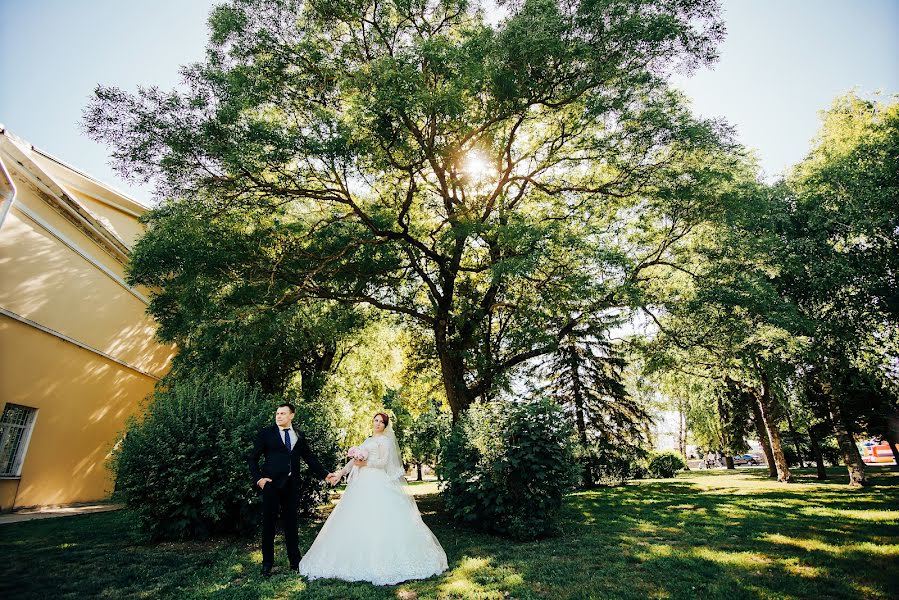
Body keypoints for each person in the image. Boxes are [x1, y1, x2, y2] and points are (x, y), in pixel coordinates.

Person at [299, 412, 448, 586]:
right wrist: (339, 474)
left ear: (385, 426)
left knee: (379, 517)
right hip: (360, 483)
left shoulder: (385, 441)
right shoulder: (368, 440)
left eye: (381, 422)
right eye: (375, 420)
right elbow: (353, 462)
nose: (377, 424)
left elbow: (384, 463)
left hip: (377, 480)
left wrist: (365, 464)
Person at [247, 402, 338, 577]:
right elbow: (252, 458)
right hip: (271, 485)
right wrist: (259, 479)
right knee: (269, 525)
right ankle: (267, 565)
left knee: (291, 525)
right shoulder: (266, 433)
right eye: (277, 413)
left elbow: (310, 458)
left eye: (282, 413)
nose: (278, 416)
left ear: (292, 415)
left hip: (292, 486)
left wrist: (326, 475)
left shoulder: (299, 435)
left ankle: (295, 563)